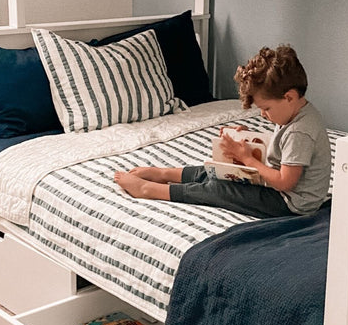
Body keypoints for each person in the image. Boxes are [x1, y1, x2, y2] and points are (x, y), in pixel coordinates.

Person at [113, 45, 333, 219]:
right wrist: (249, 139)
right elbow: (283, 150)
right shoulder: (295, 113)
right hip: (280, 188)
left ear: (289, 97)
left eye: (266, 109)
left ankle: (148, 189)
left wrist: (247, 158)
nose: (264, 115)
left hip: (290, 204)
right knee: (218, 171)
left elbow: (285, 182)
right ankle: (162, 174)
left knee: (219, 189)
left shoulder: (300, 131)